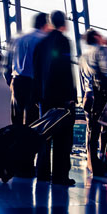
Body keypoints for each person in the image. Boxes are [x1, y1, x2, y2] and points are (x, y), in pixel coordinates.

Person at [33, 10, 77, 186]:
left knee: (44, 133)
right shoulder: (64, 41)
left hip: (44, 96)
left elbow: (36, 71)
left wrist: (37, 95)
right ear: (63, 22)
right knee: (63, 137)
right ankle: (60, 175)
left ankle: (42, 172)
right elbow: (66, 69)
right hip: (61, 96)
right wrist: (71, 96)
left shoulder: (41, 43)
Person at [79, 30, 107, 176]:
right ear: (96, 37)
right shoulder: (102, 51)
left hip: (88, 97)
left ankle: (93, 166)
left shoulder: (83, 57)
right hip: (103, 96)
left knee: (92, 133)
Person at [8, 13, 49, 128]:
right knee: (32, 121)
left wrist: (11, 80)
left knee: (16, 120)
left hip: (16, 81)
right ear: (45, 24)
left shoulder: (19, 38)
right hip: (33, 83)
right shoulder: (43, 39)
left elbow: (7, 62)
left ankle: (16, 144)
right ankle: (28, 145)